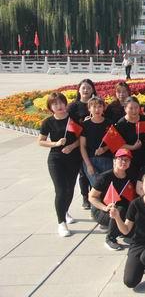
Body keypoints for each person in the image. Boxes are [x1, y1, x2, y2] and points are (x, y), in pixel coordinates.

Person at [38, 92, 82, 237]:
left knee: (70, 189)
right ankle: (61, 223)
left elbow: (81, 139)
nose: (59, 106)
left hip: (73, 159)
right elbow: (41, 141)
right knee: (61, 190)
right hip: (56, 159)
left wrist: (72, 146)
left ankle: (65, 211)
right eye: (55, 104)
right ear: (50, 107)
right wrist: (55, 143)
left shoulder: (73, 119)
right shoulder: (48, 122)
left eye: (61, 102)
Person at [88, 148, 136, 251]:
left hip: (124, 210)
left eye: (127, 160)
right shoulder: (104, 177)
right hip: (103, 211)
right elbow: (91, 197)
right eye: (121, 159)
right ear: (114, 161)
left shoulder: (131, 176)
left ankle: (124, 232)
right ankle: (110, 238)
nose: (124, 162)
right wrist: (105, 208)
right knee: (118, 209)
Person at [68, 78, 97, 209]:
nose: (86, 90)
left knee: (93, 169)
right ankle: (85, 197)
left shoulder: (96, 103)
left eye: (89, 88)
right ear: (79, 90)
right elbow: (69, 124)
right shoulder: (73, 106)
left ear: (93, 90)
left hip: (93, 141)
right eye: (83, 88)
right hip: (78, 142)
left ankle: (94, 195)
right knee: (83, 172)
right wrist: (83, 123)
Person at [80, 97, 113, 186]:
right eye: (94, 107)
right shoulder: (85, 125)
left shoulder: (109, 123)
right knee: (96, 187)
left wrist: (104, 149)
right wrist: (88, 165)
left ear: (103, 108)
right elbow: (82, 146)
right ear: (89, 109)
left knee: (107, 187)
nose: (97, 109)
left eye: (99, 106)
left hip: (107, 160)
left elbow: (114, 142)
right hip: (90, 160)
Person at [115, 97, 145, 179]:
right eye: (131, 108)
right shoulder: (121, 124)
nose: (134, 111)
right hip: (129, 160)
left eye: (136, 107)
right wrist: (132, 147)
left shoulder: (144, 119)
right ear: (125, 109)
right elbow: (117, 144)